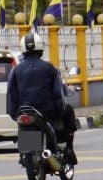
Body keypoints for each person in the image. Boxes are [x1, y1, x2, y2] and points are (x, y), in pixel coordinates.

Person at [6, 31, 77, 164]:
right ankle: (69, 149)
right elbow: (58, 93)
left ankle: (26, 152)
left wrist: (14, 114)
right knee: (68, 111)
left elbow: (11, 94)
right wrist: (59, 111)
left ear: (23, 49)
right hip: (46, 110)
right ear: (41, 48)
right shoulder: (49, 68)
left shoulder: (15, 70)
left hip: (24, 110)